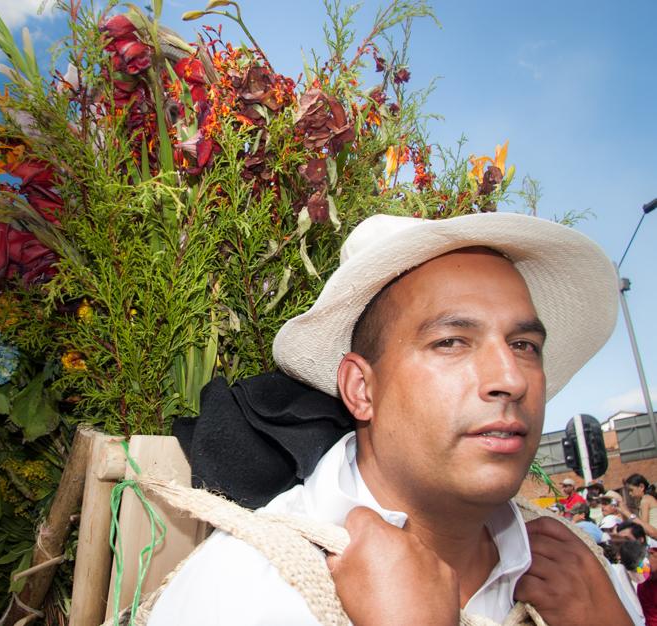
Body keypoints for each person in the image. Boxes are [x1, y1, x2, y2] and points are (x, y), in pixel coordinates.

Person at [146, 213, 638, 625]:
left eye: (524, 345)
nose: (511, 378)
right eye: (451, 342)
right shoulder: (247, 592)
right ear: (362, 390)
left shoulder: (586, 576)